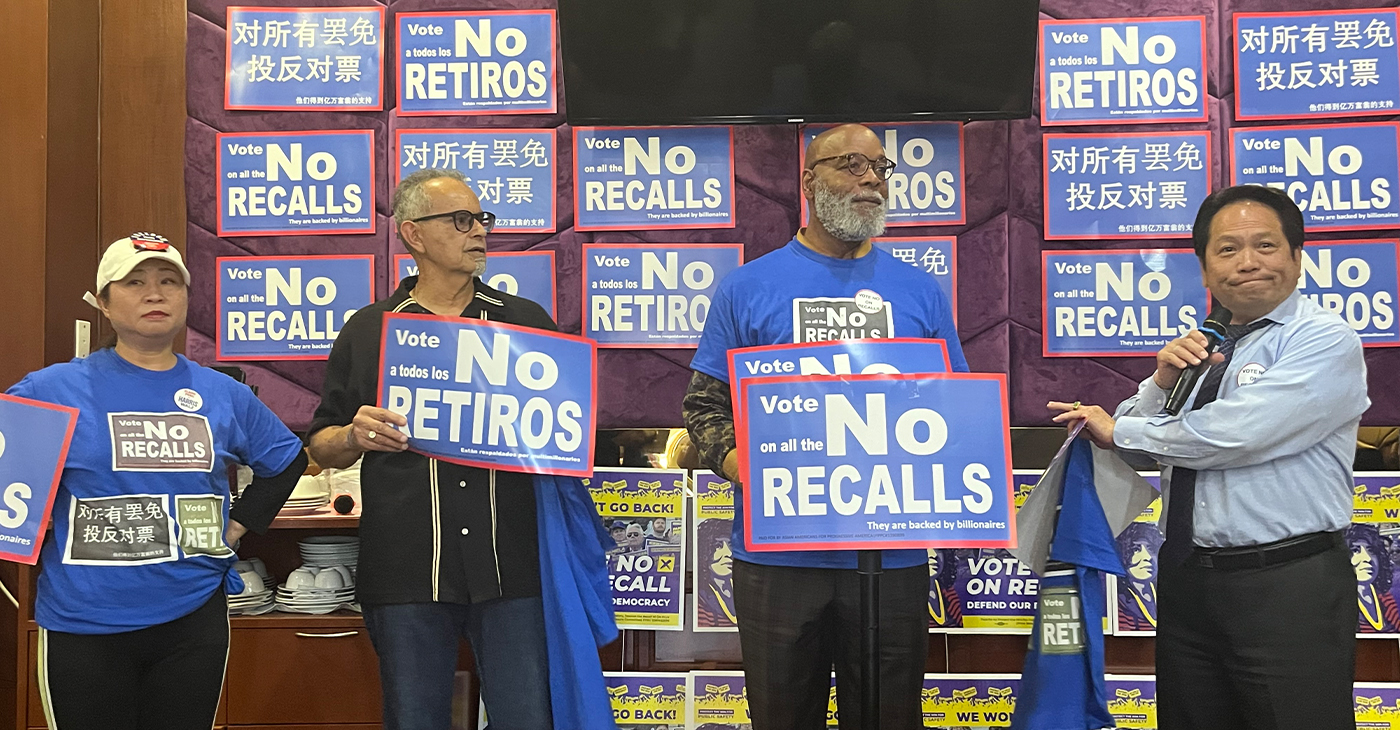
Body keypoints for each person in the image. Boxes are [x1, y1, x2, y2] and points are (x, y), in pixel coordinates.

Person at [1051, 185, 1369, 730]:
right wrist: (1161, 381)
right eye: (1227, 250)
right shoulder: (1212, 342)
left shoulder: (1324, 339)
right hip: (1189, 582)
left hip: (1286, 584)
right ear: (1203, 270)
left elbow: (1238, 434)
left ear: (1297, 258)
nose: (1247, 262)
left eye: (1265, 246)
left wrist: (1121, 426)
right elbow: (1137, 434)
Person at [684, 124, 969, 730]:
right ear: (809, 182)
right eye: (849, 166)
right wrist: (748, 473)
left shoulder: (920, 291)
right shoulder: (746, 287)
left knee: (889, 719)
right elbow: (705, 411)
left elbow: (952, 407)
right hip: (779, 557)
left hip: (891, 560)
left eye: (878, 168)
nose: (869, 180)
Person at [9, 233, 307, 730]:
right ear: (104, 302)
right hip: (85, 621)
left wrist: (235, 529)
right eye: (135, 282)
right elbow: (12, 487)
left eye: (169, 282)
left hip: (191, 616)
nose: (155, 293)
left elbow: (287, 461)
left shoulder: (221, 392)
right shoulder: (49, 389)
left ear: (187, 299)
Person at [306, 169, 561, 730]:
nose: (480, 233)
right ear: (413, 234)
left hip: (512, 568)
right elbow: (322, 445)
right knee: (413, 719)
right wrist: (352, 435)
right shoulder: (368, 329)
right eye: (461, 221)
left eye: (482, 220)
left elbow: (568, 433)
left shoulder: (527, 325)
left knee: (529, 719)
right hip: (407, 572)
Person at [1348, 524, 1400, 634]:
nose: (1367, 558)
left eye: (1371, 550)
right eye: (1356, 550)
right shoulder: (1339, 603)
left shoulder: (1386, 597)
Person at [1114, 522, 1164, 632]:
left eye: (1150, 549)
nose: (1147, 557)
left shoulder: (1165, 592)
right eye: (1136, 549)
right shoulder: (1118, 603)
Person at [696, 516, 737, 627]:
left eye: (731, 545)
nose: (728, 553)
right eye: (718, 546)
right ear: (705, 551)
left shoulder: (747, 591)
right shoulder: (699, 602)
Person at [926, 549, 962, 629]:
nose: (933, 555)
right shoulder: (907, 597)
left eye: (938, 549)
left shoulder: (949, 593)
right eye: (925, 548)